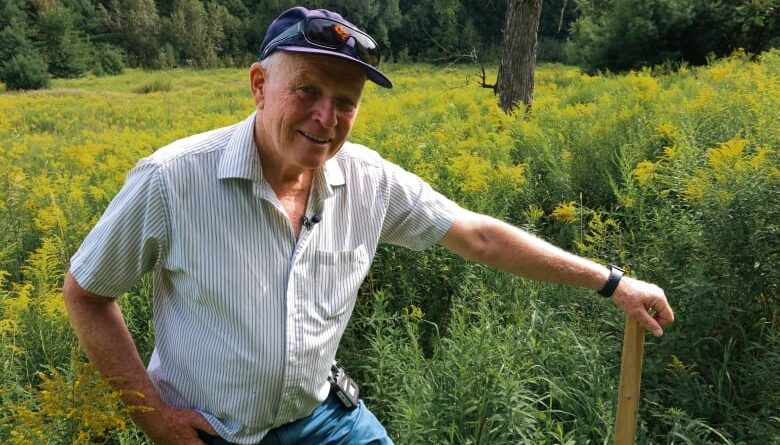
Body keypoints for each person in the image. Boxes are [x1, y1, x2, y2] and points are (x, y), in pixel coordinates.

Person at [63, 6, 674, 445]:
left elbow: (478, 235)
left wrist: (613, 283)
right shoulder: (172, 180)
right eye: (306, 89)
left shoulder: (369, 181)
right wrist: (155, 418)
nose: (326, 118)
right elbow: (87, 293)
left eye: (347, 101)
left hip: (325, 419)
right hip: (212, 433)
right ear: (258, 85)